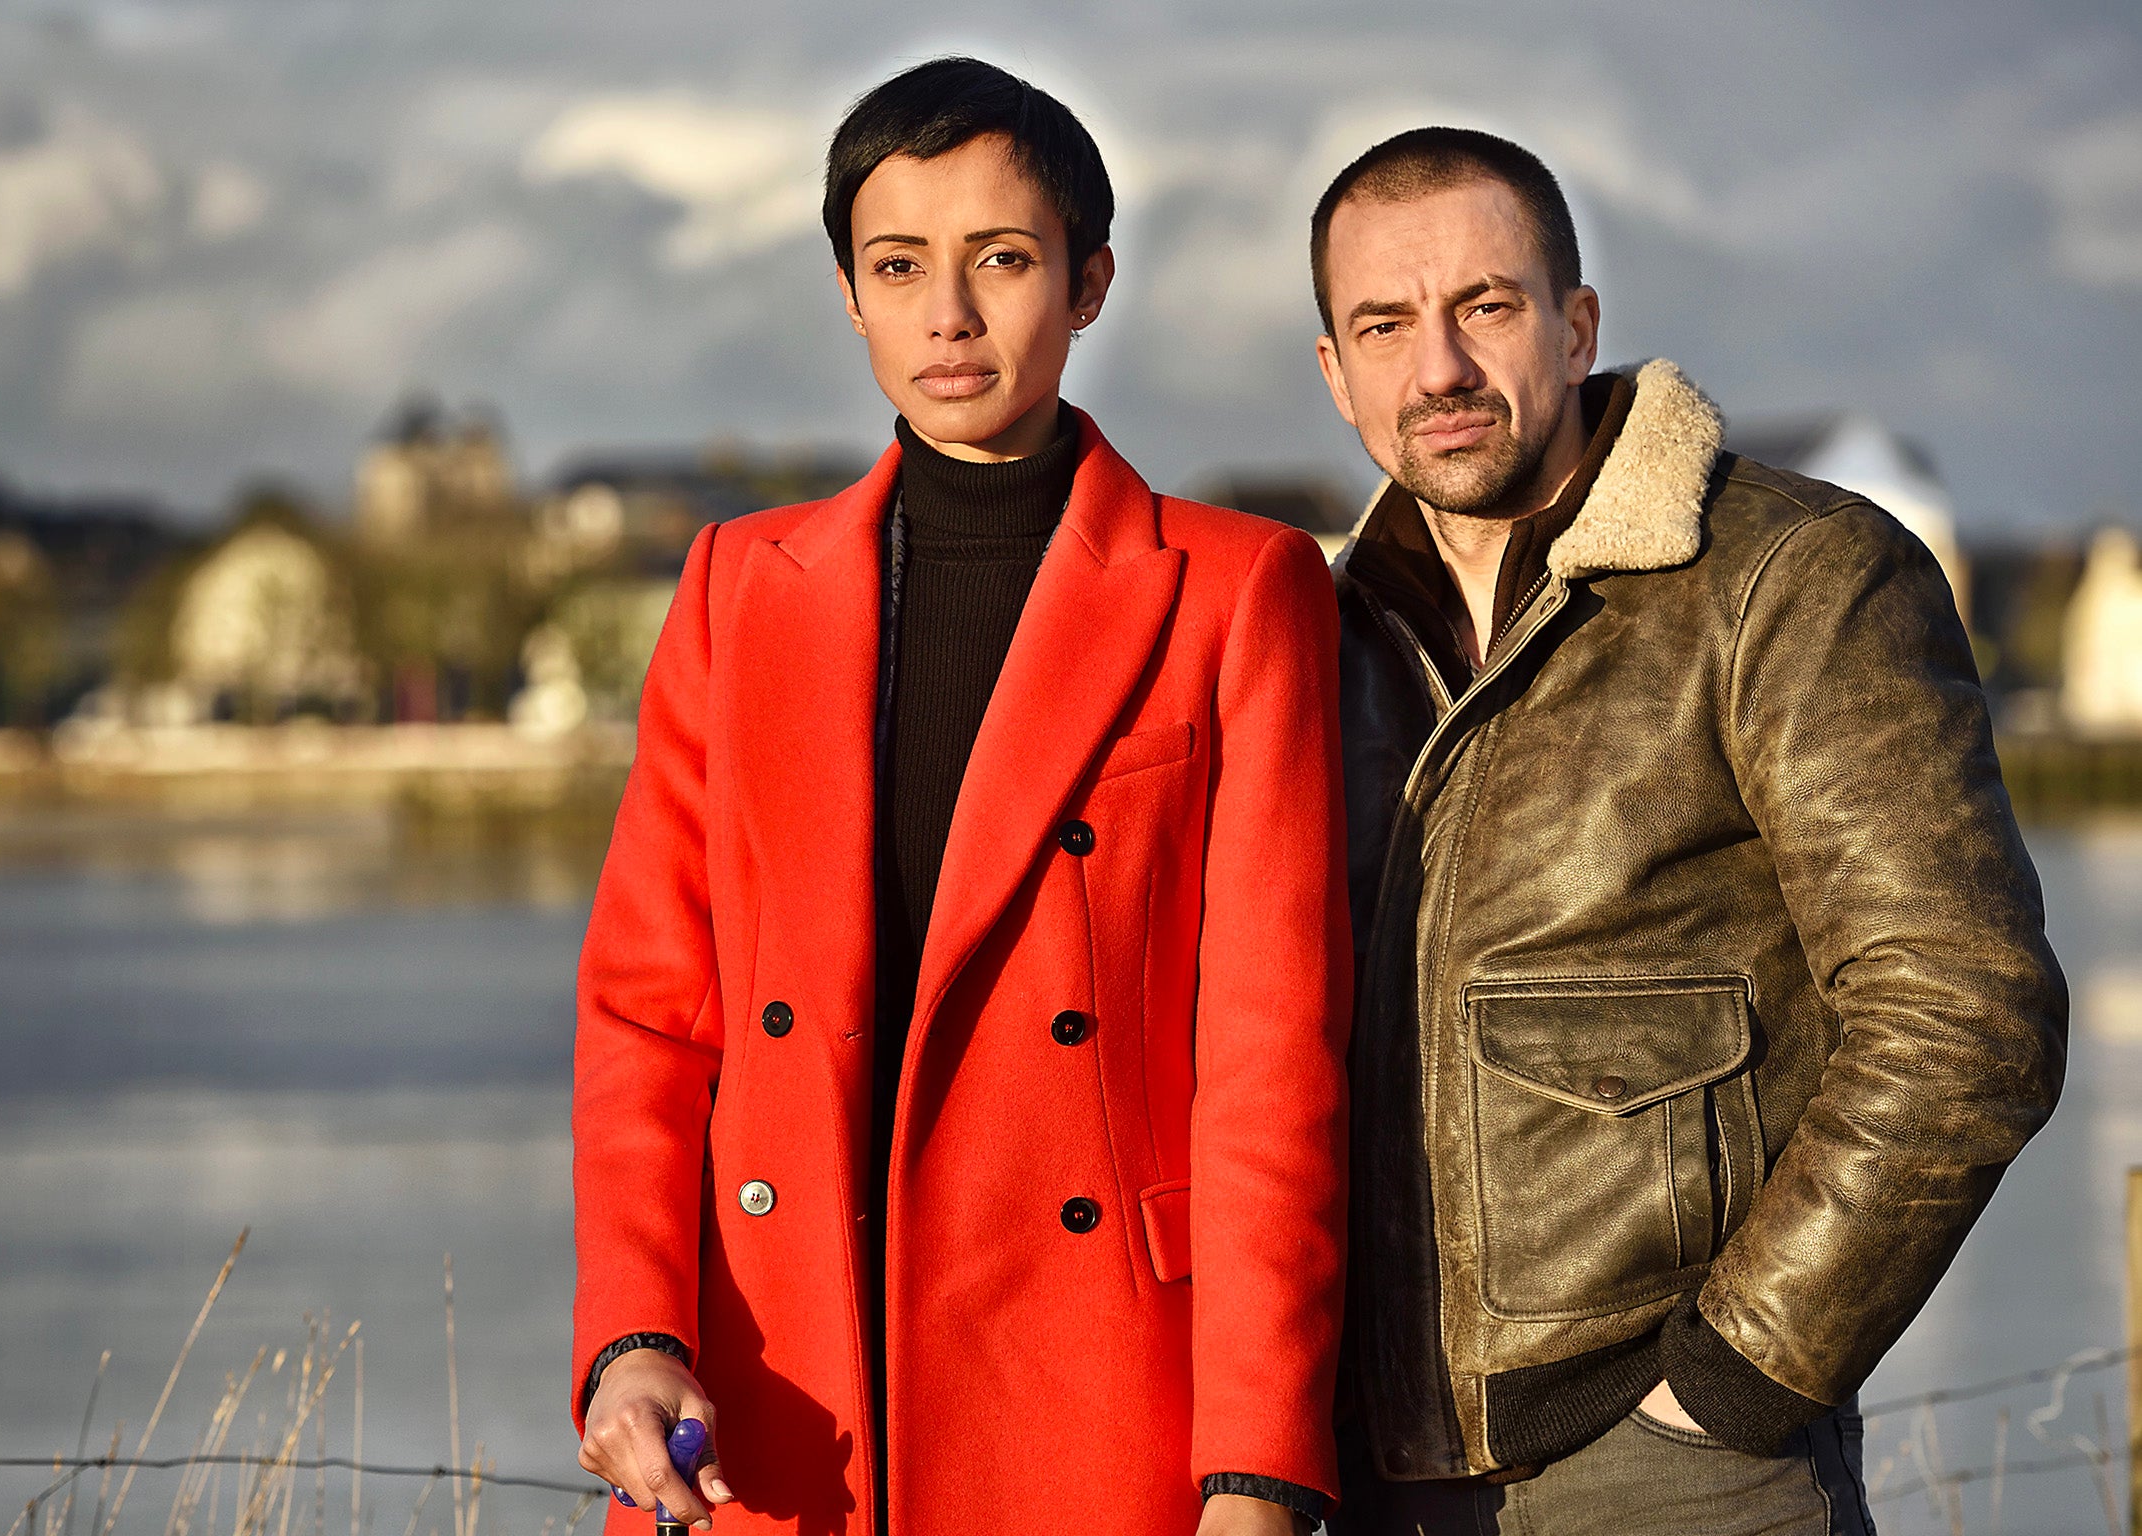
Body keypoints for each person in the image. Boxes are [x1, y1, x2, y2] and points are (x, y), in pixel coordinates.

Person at [569, 56, 1352, 1536]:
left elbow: (1269, 1066)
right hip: (764, 1398)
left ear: (1090, 279)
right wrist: (630, 1338)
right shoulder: (741, 588)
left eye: (1001, 259)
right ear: (850, 295)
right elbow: (649, 1019)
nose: (949, 312)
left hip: (1095, 1398)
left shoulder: (1240, 592)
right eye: (899, 265)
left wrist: (1255, 1464)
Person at [1311, 126, 2070, 1534]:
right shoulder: (1308, 640)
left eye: (1486, 304)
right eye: (1384, 323)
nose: (1441, 370)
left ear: (1577, 321)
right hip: (1368, 1475)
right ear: (1335, 372)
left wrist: (1729, 1388)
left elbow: (1967, 1013)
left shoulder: (1793, 577)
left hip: (1669, 1467)